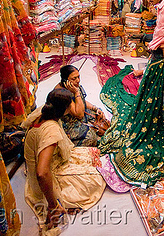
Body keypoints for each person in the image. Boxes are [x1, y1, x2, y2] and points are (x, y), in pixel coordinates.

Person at [98, 0, 164, 186]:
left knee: (152, 93)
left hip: (161, 57)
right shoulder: (163, 7)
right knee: (150, 93)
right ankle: (151, 120)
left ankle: (150, 124)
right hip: (156, 56)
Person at [23, 89, 106, 235]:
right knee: (96, 179)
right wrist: (53, 204)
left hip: (47, 161)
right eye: (71, 103)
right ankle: (59, 203)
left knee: (93, 155)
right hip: (48, 175)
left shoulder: (42, 111)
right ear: (65, 108)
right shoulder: (51, 131)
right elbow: (42, 173)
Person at [55, 65, 108, 146]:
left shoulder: (73, 86)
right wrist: (76, 93)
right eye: (74, 78)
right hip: (69, 122)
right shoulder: (62, 93)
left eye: (78, 77)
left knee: (102, 119)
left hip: (79, 112)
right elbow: (79, 115)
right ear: (65, 80)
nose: (78, 80)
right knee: (91, 138)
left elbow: (81, 101)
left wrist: (95, 108)